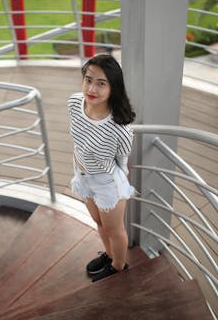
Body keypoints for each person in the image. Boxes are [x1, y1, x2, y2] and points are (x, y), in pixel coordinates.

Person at [68, 54, 136, 282]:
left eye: (101, 83)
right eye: (88, 79)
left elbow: (122, 162)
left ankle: (118, 266)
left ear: (113, 88)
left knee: (114, 229)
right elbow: (78, 139)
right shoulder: (74, 104)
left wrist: (114, 187)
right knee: (98, 222)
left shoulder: (120, 127)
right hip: (81, 174)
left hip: (106, 182)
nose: (92, 88)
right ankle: (109, 255)